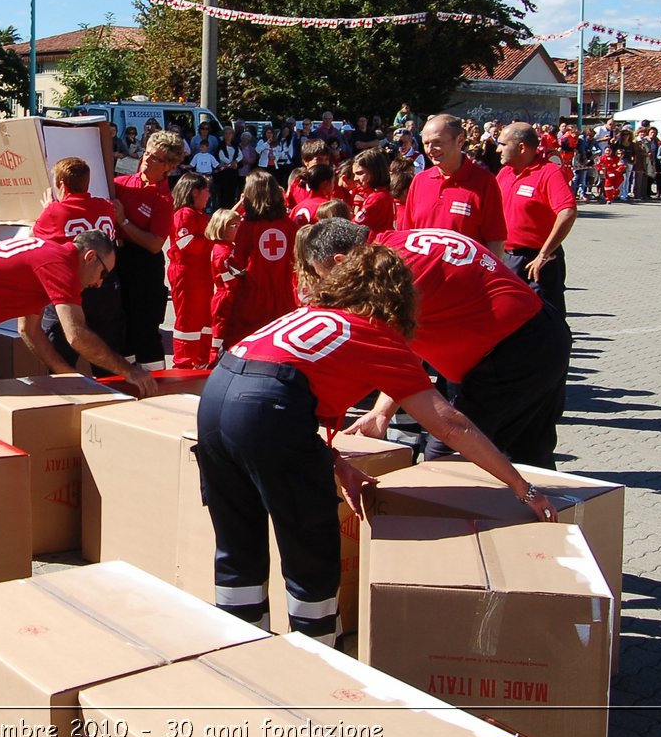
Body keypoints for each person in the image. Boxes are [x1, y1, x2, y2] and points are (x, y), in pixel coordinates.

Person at [195, 241, 556, 641]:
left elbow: (270, 399)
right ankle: (314, 656)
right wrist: (522, 487)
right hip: (268, 412)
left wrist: (332, 462)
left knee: (236, 544)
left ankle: (238, 646)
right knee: (309, 549)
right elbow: (451, 426)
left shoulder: (306, 316)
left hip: (216, 399)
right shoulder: (377, 335)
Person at [303, 219, 571, 470]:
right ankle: (553, 515)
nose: (328, 283)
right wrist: (381, 412)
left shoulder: (387, 273)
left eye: (323, 274)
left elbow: (393, 357)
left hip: (511, 353)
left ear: (340, 261)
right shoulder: (401, 242)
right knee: (529, 455)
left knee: (445, 461)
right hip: (542, 331)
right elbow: (407, 346)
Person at [0, 231, 154, 419]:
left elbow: (29, 331)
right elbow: (77, 335)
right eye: (103, 273)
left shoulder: (50, 255)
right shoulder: (61, 265)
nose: (100, 283)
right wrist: (128, 370)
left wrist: (70, 376)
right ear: (90, 257)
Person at [33, 156, 125, 368]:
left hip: (71, 289)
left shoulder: (55, 211)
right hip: (105, 287)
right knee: (107, 355)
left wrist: (48, 209)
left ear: (61, 185)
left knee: (61, 358)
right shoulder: (105, 206)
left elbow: (36, 239)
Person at [114, 130, 185, 370]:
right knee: (121, 330)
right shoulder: (122, 183)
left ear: (169, 166)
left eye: (155, 158)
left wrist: (123, 221)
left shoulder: (164, 199)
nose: (146, 159)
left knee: (145, 331)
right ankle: (126, 382)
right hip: (118, 261)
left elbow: (155, 244)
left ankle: (156, 385)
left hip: (144, 267)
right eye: (146, 153)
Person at [496, 122, 578, 317]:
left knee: (547, 322)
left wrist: (543, 254)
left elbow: (567, 211)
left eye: (503, 144)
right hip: (507, 257)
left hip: (538, 262)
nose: (498, 149)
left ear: (522, 147)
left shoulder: (549, 173)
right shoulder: (505, 173)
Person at [404, 114, 506, 257]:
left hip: (466, 277)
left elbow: (495, 240)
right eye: (426, 143)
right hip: (421, 275)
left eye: (437, 142)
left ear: (460, 140)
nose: (430, 149)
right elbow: (407, 234)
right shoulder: (420, 180)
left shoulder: (484, 182)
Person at [227, 172, 298, 344]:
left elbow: (237, 263)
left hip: (255, 294)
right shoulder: (289, 225)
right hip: (284, 293)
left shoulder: (248, 226)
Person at [166, 173, 214, 368]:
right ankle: (184, 362)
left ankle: (201, 358)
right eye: (206, 190)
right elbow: (187, 244)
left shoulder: (198, 214)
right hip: (187, 275)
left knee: (203, 318)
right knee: (188, 320)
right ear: (195, 191)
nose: (209, 195)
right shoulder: (184, 214)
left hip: (200, 274)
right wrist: (214, 239)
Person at [207, 208, 242, 358]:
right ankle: (214, 362)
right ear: (222, 228)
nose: (238, 228)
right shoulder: (223, 252)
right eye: (234, 225)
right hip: (226, 298)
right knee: (221, 335)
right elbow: (231, 280)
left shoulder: (227, 248)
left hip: (229, 296)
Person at [350, 149, 395, 235]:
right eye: (354, 174)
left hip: (377, 245)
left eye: (360, 173)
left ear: (374, 172)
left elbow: (354, 227)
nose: (355, 179)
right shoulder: (377, 194)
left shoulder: (377, 198)